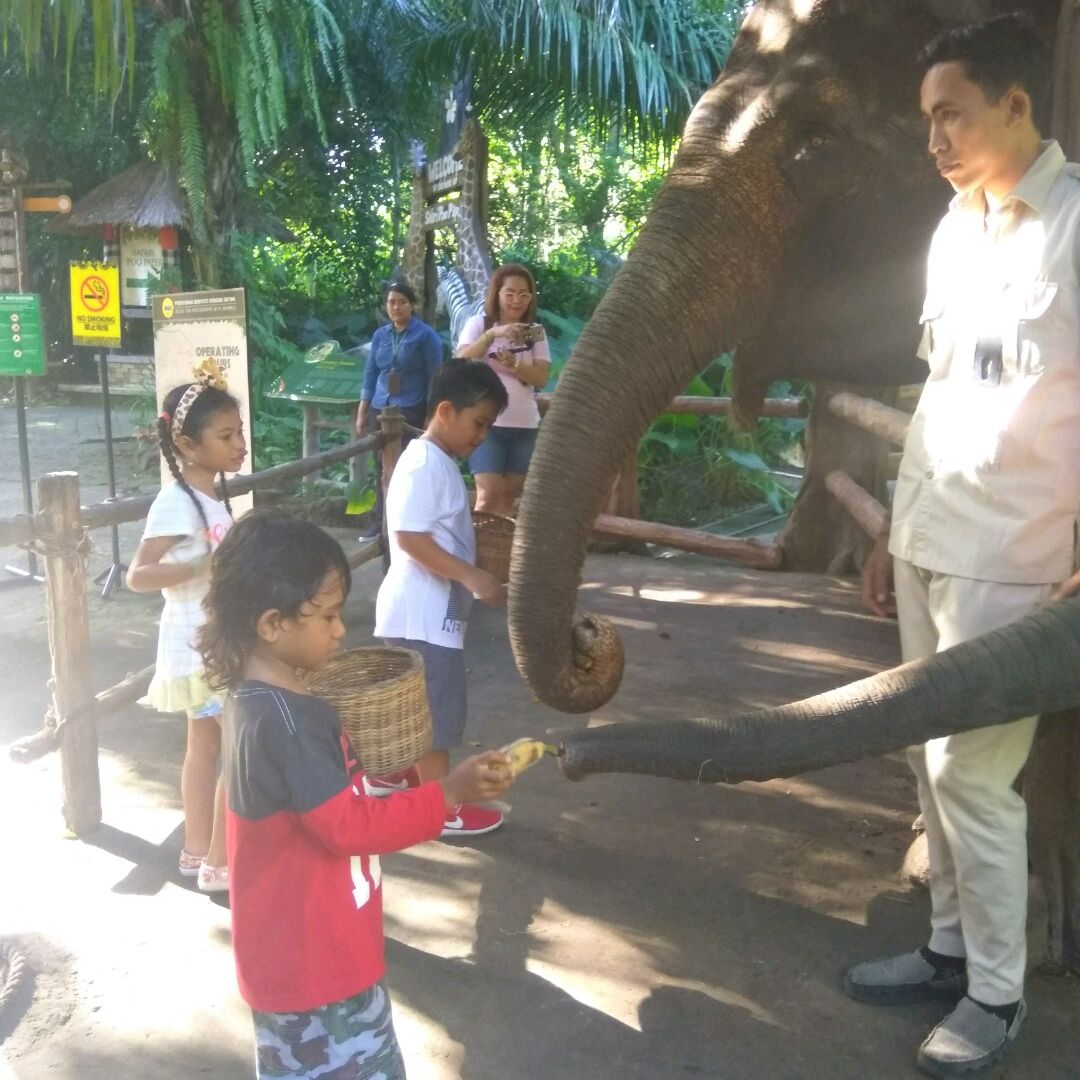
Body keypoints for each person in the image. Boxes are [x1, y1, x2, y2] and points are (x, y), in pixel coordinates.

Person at [850, 14, 1080, 1078]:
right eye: (928, 118)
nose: (933, 136)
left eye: (951, 113)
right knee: (922, 755)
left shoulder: (1076, 225)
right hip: (931, 533)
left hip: (1016, 550)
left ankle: (998, 994)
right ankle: (946, 949)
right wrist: (895, 529)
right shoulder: (953, 229)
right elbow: (941, 389)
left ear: (1016, 105)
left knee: (972, 773)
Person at [197, 511, 514, 1079]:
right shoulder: (288, 723)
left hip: (305, 959)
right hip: (315, 971)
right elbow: (350, 826)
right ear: (271, 624)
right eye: (326, 615)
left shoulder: (258, 701)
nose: (341, 629)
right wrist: (449, 792)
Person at [369, 359, 511, 837]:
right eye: (479, 423)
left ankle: (392, 774)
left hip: (425, 617)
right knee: (437, 717)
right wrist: (472, 576)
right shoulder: (426, 462)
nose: (483, 436)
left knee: (416, 708)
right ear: (446, 411)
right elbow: (409, 537)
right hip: (422, 617)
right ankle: (441, 809)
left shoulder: (436, 462)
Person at [127, 364, 246, 893]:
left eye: (239, 432)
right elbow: (138, 575)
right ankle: (220, 861)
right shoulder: (175, 502)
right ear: (186, 443)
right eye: (226, 436)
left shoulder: (208, 498)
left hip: (208, 640)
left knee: (204, 747)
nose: (239, 444)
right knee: (234, 744)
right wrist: (200, 569)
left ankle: (197, 849)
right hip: (200, 645)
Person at [454, 263, 550, 517]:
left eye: (523, 294)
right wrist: (492, 336)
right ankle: (473, 553)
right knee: (488, 494)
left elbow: (541, 377)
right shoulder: (480, 324)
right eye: (509, 293)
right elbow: (460, 361)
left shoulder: (535, 332)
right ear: (497, 294)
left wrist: (515, 365)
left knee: (508, 498)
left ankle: (498, 554)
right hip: (487, 425)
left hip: (524, 425)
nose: (516, 300)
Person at [355, 281, 444, 540]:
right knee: (381, 469)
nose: (396, 307)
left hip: (411, 411)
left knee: (408, 469)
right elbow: (371, 373)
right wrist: (362, 410)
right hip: (380, 408)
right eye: (391, 302)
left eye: (401, 302)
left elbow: (434, 377)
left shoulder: (425, 336)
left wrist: (431, 414)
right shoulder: (380, 336)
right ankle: (380, 523)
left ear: (412, 305)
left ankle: (407, 525)